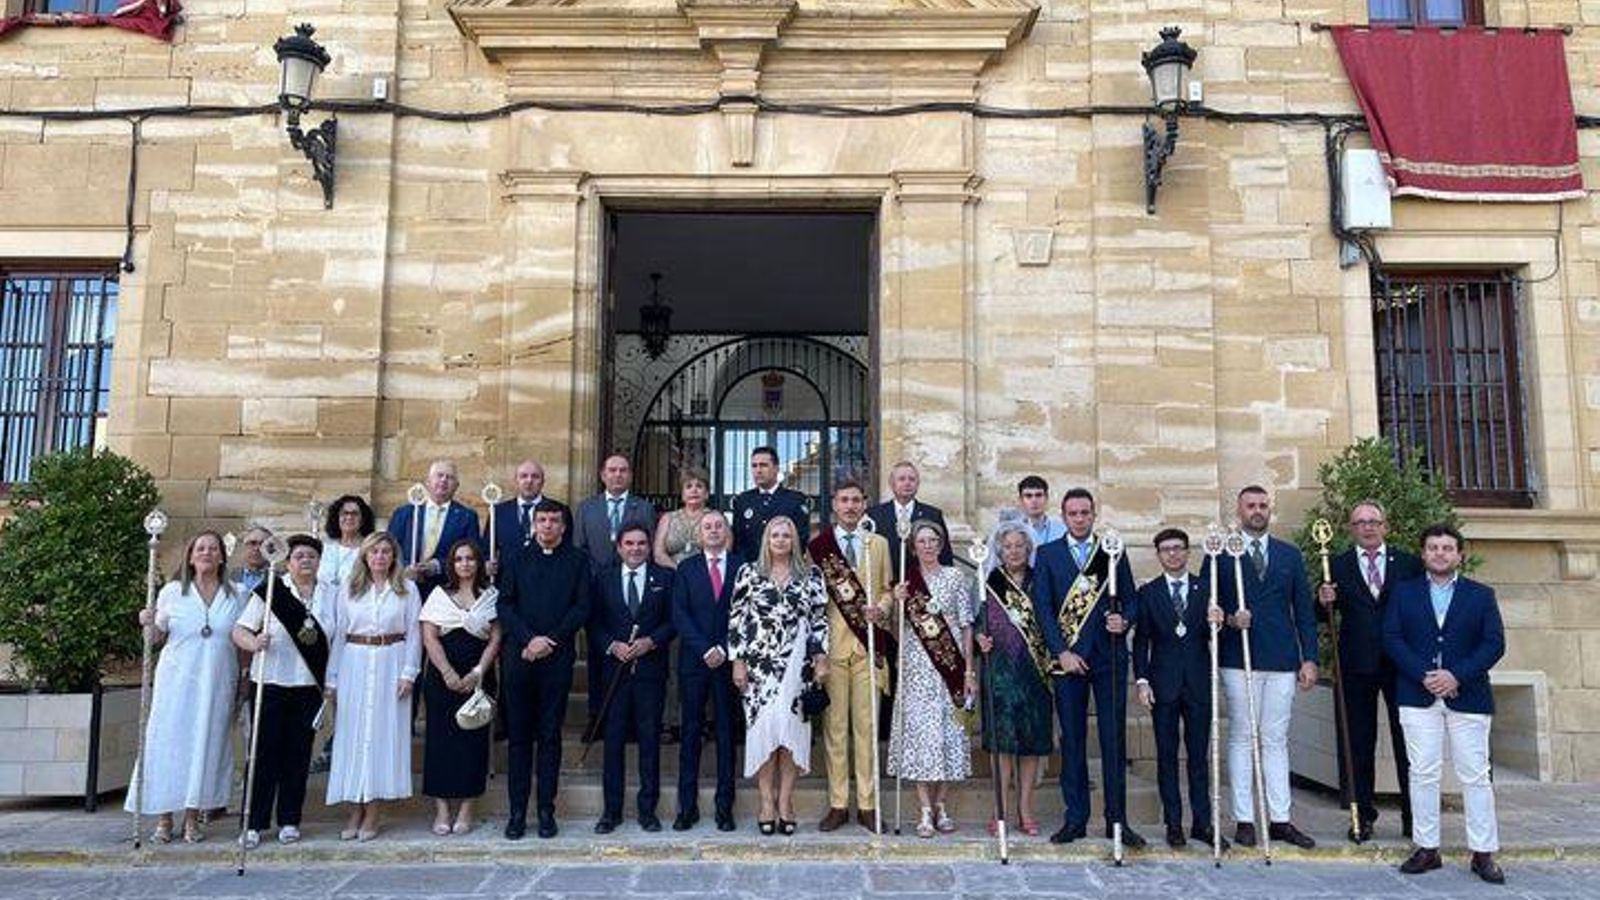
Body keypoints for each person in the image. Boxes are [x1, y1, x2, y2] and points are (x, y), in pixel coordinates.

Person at [1384, 523, 1506, 885]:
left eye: (1447, 548)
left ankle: (1483, 852)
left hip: (1467, 696)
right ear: (1423, 554)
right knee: (1422, 772)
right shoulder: (1403, 594)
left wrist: (1456, 675)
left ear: (1459, 555)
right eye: (1433, 547)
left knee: (1475, 775)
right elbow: (1391, 637)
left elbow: (1493, 644)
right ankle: (1426, 848)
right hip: (1416, 694)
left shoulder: (1481, 595)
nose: (1440, 553)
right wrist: (1425, 674)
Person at [1030, 488, 1143, 847]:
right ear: (1063, 516)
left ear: (1094, 514)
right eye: (1073, 513)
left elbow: (1131, 598)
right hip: (1068, 662)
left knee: (1113, 741)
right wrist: (1060, 651)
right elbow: (1043, 608)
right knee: (1073, 741)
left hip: (1108, 658)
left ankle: (1117, 821)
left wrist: (1124, 621)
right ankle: (1075, 818)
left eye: (1085, 512)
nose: (1079, 518)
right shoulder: (1047, 554)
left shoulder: (1111, 550)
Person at [1212, 485, 1319, 849]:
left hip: (1282, 658)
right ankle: (1244, 818)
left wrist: (1310, 658)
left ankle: (1280, 819)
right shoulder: (1222, 553)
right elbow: (1207, 606)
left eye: (1262, 505)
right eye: (1250, 506)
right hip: (1238, 658)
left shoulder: (1289, 555)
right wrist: (1228, 619)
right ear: (1238, 510)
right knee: (1243, 736)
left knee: (1275, 738)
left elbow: (1303, 610)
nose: (1257, 511)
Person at [125, 531, 245, 844]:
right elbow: (155, 639)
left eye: (213, 548)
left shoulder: (237, 594)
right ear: (190, 556)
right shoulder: (171, 592)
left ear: (222, 556)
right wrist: (147, 622)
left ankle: (193, 817)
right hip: (177, 680)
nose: (206, 553)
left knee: (206, 744)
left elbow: (242, 636)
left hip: (218, 678)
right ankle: (164, 818)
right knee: (169, 745)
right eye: (200, 548)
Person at [1317, 499, 1422, 842]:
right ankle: (1362, 815)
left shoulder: (1408, 564)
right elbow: (1320, 615)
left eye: (1373, 521)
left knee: (1408, 742)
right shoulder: (1337, 565)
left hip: (1402, 665)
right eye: (1360, 522)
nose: (1368, 527)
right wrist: (1323, 599)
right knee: (1358, 743)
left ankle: (1414, 816)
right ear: (1351, 529)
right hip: (1356, 664)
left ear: (1385, 526)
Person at [497, 499, 593, 840]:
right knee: (520, 737)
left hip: (557, 657)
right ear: (534, 524)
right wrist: (529, 640)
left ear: (564, 526)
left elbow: (582, 607)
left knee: (550, 736)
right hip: (519, 657)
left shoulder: (578, 561)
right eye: (543, 520)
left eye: (554, 520)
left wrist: (549, 640)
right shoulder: (515, 558)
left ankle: (546, 811)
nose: (548, 526)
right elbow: (504, 605)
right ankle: (517, 812)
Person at [232, 534, 335, 847]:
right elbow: (239, 630)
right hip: (270, 682)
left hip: (308, 685)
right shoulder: (270, 591)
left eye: (311, 556)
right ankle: (254, 822)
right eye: (299, 556)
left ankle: (290, 819)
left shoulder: (331, 594)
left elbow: (337, 638)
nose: (306, 561)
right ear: (288, 561)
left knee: (298, 753)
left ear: (319, 561)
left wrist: (332, 681)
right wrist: (254, 642)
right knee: (264, 752)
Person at [728, 515, 829, 836]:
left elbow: (819, 620)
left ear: (795, 541)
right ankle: (765, 803)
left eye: (787, 535)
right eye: (776, 535)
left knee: (789, 735)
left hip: (797, 665)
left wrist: (821, 657)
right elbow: (736, 619)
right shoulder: (749, 573)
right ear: (766, 539)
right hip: (760, 666)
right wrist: (737, 661)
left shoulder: (811, 575)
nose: (782, 540)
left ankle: (785, 801)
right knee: (766, 734)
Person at [1132, 528, 1226, 850]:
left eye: (1178, 548)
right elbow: (1142, 639)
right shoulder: (1149, 592)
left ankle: (1202, 823)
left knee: (1199, 758)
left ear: (1188, 552)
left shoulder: (1206, 589)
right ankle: (1174, 823)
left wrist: (1219, 622)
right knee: (1167, 757)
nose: (1173, 554)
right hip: (1163, 684)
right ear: (1158, 555)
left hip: (1199, 682)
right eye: (1166, 549)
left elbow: (1217, 640)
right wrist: (1142, 680)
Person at [325, 532, 422, 841]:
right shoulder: (349, 590)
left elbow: (414, 633)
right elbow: (339, 634)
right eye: (374, 551)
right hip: (355, 662)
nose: (380, 556)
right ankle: (355, 808)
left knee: (382, 736)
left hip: (391, 662)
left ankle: (374, 811)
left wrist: (409, 672)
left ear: (394, 556)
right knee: (353, 736)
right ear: (365, 556)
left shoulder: (407, 589)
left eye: (386, 551)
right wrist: (332, 678)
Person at [808, 479, 893, 833]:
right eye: (843, 500)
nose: (850, 506)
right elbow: (811, 601)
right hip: (832, 649)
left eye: (856, 500)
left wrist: (883, 607)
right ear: (834, 506)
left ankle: (868, 805)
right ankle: (839, 803)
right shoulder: (818, 547)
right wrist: (816, 654)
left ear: (865, 504)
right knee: (836, 729)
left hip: (868, 647)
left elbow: (888, 589)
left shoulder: (880, 544)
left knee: (868, 728)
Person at [887, 520, 975, 838]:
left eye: (933, 540)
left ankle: (941, 804)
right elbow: (896, 632)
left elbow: (966, 625)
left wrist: (968, 670)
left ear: (941, 544)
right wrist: (897, 604)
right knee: (920, 736)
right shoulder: (906, 583)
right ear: (913, 547)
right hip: (916, 666)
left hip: (950, 665)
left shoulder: (955, 577)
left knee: (949, 733)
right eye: (921, 541)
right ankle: (924, 808)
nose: (927, 545)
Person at [591, 524, 676, 833]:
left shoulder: (664, 579)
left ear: (649, 546)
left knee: (649, 741)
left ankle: (647, 810)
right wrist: (611, 645)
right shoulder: (603, 579)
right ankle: (611, 811)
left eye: (642, 543)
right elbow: (594, 621)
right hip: (614, 673)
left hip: (650, 673)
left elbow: (673, 621)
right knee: (613, 742)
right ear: (619, 547)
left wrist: (651, 641)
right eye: (630, 543)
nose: (636, 549)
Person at [974, 521, 1054, 837]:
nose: (1014, 551)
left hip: (1035, 671)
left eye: (1020, 546)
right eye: (1008, 546)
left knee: (1032, 744)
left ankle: (1025, 809)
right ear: (999, 550)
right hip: (1000, 672)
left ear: (1029, 549)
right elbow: (977, 622)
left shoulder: (1041, 581)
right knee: (1002, 743)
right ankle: (1001, 809)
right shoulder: (988, 580)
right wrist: (981, 638)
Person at [420, 538, 502, 837]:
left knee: (473, 741)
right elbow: (429, 637)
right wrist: (447, 672)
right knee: (440, 741)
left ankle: (467, 808)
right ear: (452, 564)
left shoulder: (491, 596)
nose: (465, 564)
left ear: (479, 563)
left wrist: (478, 672)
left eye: (470, 558)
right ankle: (442, 809)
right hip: (443, 677)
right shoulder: (439, 595)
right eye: (458, 559)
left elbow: (495, 638)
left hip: (478, 675)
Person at [573, 454, 658, 731]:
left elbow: (647, 547)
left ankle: (632, 720)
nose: (617, 475)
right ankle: (596, 718)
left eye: (623, 470)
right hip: (599, 589)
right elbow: (579, 548)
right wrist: (595, 577)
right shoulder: (587, 508)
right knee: (601, 654)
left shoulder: (643, 508)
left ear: (630, 475)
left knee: (634, 657)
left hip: (633, 588)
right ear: (602, 475)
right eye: (612, 470)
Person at [670, 510, 742, 832]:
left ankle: (725, 808)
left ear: (726, 531)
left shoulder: (743, 567)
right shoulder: (685, 569)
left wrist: (726, 648)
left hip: (729, 662)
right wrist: (705, 648)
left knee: (727, 734)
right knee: (690, 733)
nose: (713, 531)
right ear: (699, 535)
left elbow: (747, 612)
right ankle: (687, 808)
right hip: (694, 662)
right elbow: (679, 614)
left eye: (718, 526)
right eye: (707, 527)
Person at [389, 459, 484, 600]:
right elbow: (390, 548)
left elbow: (472, 555)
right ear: (428, 482)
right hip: (404, 588)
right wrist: (405, 568)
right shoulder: (405, 513)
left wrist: (439, 565)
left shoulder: (467, 517)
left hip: (445, 591)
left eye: (449, 477)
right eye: (439, 475)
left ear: (456, 486)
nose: (444, 480)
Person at [866, 460, 951, 578]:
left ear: (918, 484)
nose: (907, 483)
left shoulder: (932, 515)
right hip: (887, 585)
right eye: (901, 479)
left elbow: (945, 554)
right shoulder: (874, 515)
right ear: (891, 484)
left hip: (923, 584)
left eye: (912, 479)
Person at [729, 446, 811, 558]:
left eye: (763, 465)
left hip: (784, 568)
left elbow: (801, 539)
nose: (758, 470)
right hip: (752, 567)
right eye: (754, 466)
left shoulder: (795, 500)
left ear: (776, 468)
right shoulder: (743, 501)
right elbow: (737, 540)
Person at [654, 467, 712, 567]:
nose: (694, 490)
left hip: (706, 576)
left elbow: (725, 549)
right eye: (688, 487)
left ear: (706, 494)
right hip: (672, 575)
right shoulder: (668, 518)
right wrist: (678, 570)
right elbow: (658, 554)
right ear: (682, 494)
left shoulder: (716, 518)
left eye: (699, 486)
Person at [319, 495, 375, 589]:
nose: (349, 517)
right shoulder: (325, 548)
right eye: (344, 513)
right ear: (337, 518)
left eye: (355, 514)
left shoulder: (370, 549)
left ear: (363, 519)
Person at [1008, 476, 1066, 564]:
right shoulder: (1011, 531)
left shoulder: (1062, 530)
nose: (1034, 500)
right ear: (1020, 500)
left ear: (1046, 498)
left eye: (1038, 495)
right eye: (1028, 496)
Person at [233, 525, 272, 595]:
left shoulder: (280, 579)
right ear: (243, 546)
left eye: (263, 544)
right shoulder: (229, 577)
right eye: (253, 543)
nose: (257, 548)